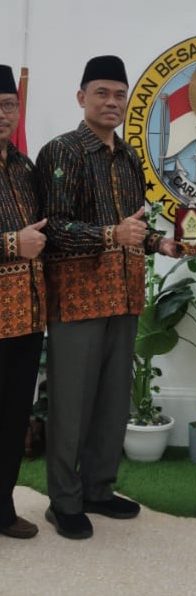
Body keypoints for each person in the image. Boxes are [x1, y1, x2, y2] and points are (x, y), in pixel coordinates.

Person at [36, 55, 176, 540]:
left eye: (119, 94)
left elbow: (136, 224)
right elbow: (53, 228)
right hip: (77, 298)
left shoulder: (130, 157)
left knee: (113, 402)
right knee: (71, 406)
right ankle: (64, 501)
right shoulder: (62, 152)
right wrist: (109, 235)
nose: (111, 102)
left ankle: (98, 488)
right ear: (82, 97)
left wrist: (161, 243)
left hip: (124, 292)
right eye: (102, 93)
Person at [0, 64, 47, 539]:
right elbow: (24, 240)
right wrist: (14, 243)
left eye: (9, 104)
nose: (3, 113)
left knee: (13, 417)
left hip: (27, 316)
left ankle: (2, 507)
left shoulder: (25, 168)